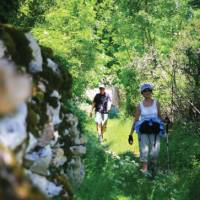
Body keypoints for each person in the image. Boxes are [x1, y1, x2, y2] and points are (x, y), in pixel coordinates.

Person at [128, 83, 164, 176]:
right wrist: (131, 134)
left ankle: (153, 168)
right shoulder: (139, 105)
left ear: (151, 92)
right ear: (142, 93)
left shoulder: (157, 103)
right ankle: (145, 169)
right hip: (143, 130)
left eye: (148, 90)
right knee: (144, 151)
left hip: (155, 129)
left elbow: (160, 116)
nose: (147, 92)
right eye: (145, 91)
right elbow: (136, 120)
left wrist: (165, 121)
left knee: (155, 151)